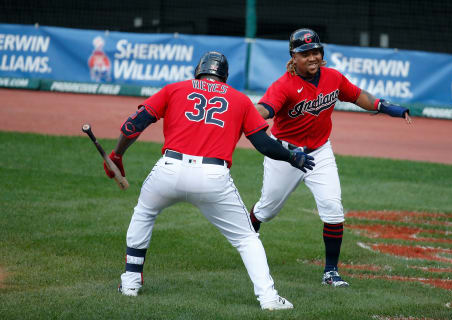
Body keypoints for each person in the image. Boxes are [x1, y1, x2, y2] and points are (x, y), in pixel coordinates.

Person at [103, 51, 315, 310]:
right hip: (213, 177)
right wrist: (292, 157)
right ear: (224, 76)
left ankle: (131, 281)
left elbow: (133, 126)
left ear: (198, 71)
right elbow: (262, 143)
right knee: (247, 239)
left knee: (144, 213)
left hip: (168, 169)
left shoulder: (174, 89)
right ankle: (269, 298)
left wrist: (117, 155)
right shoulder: (239, 99)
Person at [249, 28, 412, 287]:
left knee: (333, 209)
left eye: (316, 51)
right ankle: (247, 242)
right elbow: (264, 110)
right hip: (286, 154)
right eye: (305, 53)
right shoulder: (283, 86)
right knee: (267, 209)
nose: (312, 57)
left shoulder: (332, 77)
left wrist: (383, 106)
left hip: (320, 152)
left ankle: (330, 272)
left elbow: (358, 96)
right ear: (293, 57)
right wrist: (245, 117)